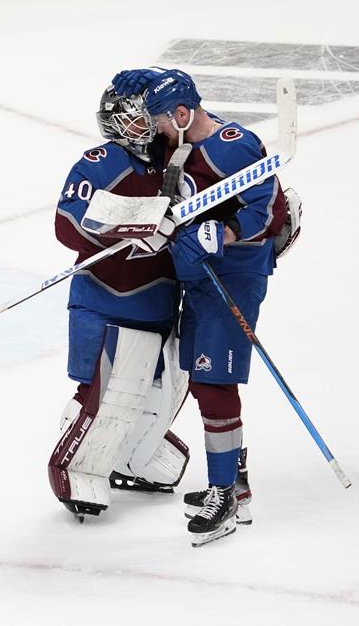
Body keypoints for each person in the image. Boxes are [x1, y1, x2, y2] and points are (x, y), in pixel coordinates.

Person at [112, 67, 290, 546]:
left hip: (234, 275)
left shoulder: (234, 146)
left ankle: (224, 495)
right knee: (201, 377)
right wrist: (149, 79)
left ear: (182, 114)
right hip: (198, 275)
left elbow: (268, 208)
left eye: (159, 120)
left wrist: (225, 232)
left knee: (214, 380)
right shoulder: (179, 142)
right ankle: (236, 482)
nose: (155, 130)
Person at [48, 85, 190, 521]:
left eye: (148, 116)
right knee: (110, 390)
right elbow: (68, 221)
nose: (145, 126)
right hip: (108, 297)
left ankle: (132, 457)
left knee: (169, 386)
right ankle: (79, 466)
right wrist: (134, 223)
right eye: (134, 118)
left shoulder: (176, 157)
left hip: (162, 298)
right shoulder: (101, 162)